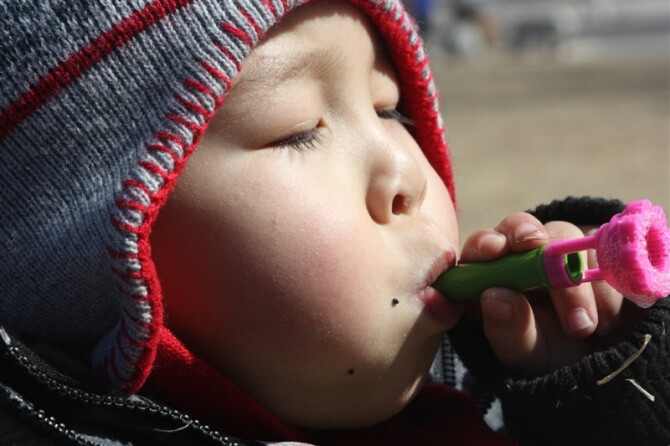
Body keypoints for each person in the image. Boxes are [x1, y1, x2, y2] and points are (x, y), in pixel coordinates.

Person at [0, 1, 668, 445]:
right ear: (101, 261)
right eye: (297, 132)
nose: (405, 174)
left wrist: (587, 392)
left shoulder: (472, 399)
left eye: (391, 109)